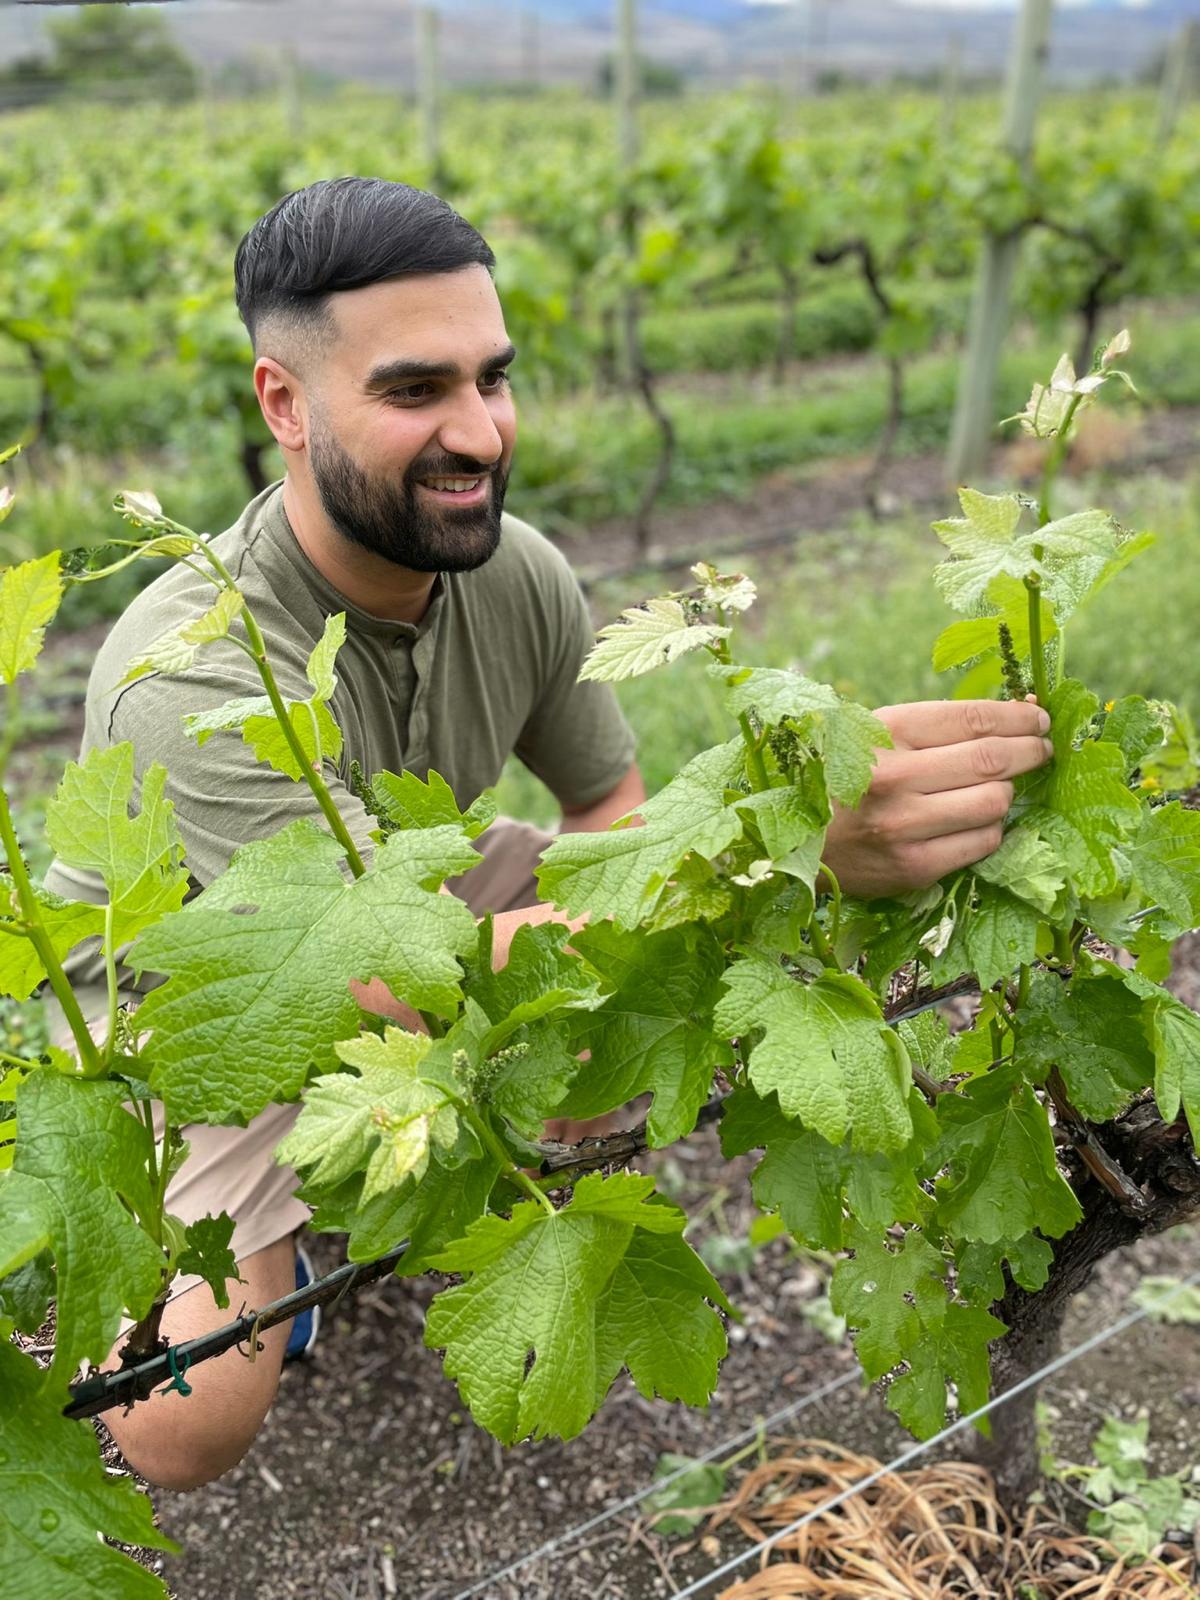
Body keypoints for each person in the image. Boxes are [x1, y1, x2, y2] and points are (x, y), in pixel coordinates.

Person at [43, 177, 1054, 1492]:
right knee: (185, 1423)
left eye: (494, 378)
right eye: (416, 391)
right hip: (200, 1006)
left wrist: (689, 916)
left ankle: (426, 1175)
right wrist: (776, 852)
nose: (480, 431)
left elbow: (612, 827)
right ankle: (209, 1246)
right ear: (283, 407)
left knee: (628, 990)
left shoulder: (519, 574)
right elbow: (389, 986)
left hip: (404, 901)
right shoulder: (192, 675)